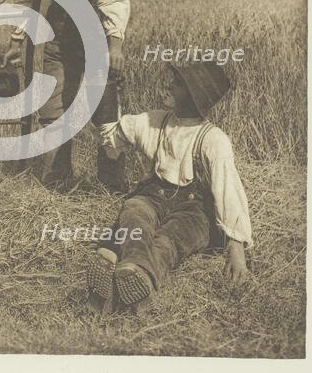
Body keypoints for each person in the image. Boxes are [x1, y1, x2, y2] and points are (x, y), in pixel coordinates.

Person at [86, 62, 252, 314]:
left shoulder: (214, 139)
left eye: (177, 84)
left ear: (194, 96)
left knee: (170, 240)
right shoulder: (154, 122)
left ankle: (125, 272)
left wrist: (236, 246)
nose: (168, 85)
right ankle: (134, 276)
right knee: (134, 212)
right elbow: (112, 139)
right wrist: (104, 96)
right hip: (154, 196)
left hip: (194, 210)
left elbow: (227, 190)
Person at [2, 0, 130, 185]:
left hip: (96, 32)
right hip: (59, 33)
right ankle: (57, 182)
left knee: (105, 110)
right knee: (52, 107)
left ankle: (111, 187)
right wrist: (16, 39)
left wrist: (115, 43)